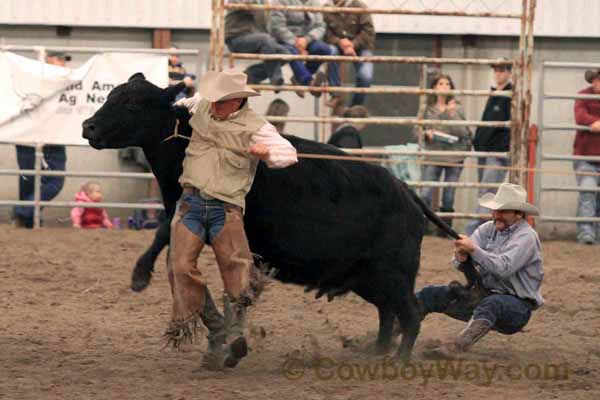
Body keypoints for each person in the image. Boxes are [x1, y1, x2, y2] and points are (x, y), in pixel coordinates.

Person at [164, 70, 298, 370]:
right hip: (191, 203)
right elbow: (186, 102)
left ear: (236, 100)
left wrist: (265, 155)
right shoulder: (202, 104)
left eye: (220, 101)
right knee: (180, 267)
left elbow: (288, 154)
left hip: (226, 208)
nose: (213, 106)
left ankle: (235, 331)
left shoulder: (257, 127)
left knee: (236, 269)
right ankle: (219, 326)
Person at [416, 183, 543, 359]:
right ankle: (389, 334)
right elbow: (458, 261)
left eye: (503, 211)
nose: (496, 215)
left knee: (492, 304)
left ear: (518, 214)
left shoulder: (527, 236)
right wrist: (461, 258)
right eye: (495, 210)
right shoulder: (486, 229)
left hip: (517, 308)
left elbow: (503, 268)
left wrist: (473, 250)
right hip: (482, 296)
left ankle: (456, 347)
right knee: (430, 294)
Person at [12, 51, 69, 229]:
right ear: (47, 61)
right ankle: (28, 219)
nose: (61, 64)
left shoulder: (67, 83)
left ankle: (22, 212)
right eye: (58, 60)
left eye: (63, 61)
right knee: (29, 179)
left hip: (51, 138)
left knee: (54, 181)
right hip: (28, 136)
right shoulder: (30, 80)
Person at [418, 74, 471, 231]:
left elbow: (463, 132)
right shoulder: (426, 109)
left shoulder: (458, 108)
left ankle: (444, 230)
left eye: (448, 84)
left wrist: (451, 114)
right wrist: (426, 133)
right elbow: (417, 130)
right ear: (434, 88)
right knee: (426, 193)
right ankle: (423, 228)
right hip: (433, 155)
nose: (444, 87)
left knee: (448, 196)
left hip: (454, 157)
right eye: (441, 83)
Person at [466, 59, 513, 235]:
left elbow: (510, 125)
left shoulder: (511, 94)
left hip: (497, 151)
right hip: (486, 149)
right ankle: (484, 229)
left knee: (487, 190)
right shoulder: (496, 93)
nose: (498, 73)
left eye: (502, 70)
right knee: (486, 190)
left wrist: (502, 147)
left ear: (509, 73)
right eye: (496, 70)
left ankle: (475, 229)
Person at [271, 0, 332, 97]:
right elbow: (277, 27)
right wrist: (295, 42)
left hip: (307, 39)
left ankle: (298, 78)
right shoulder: (280, 1)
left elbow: (320, 26)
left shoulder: (314, 3)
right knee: (291, 51)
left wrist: (306, 40)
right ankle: (309, 82)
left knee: (324, 49)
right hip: (285, 39)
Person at [225, 0, 290, 86]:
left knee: (286, 53)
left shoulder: (262, 2)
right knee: (265, 39)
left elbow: (266, 23)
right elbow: (242, 5)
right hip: (236, 39)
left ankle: (251, 74)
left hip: (256, 39)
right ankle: (276, 78)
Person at [324, 0, 375, 108]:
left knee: (365, 76)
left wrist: (352, 44)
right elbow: (325, 33)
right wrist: (340, 42)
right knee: (331, 53)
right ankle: (335, 94)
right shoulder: (326, 9)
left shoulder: (359, 6)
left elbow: (368, 31)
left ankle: (355, 107)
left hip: (361, 46)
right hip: (338, 45)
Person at [572, 69, 600, 244]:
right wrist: (593, 122)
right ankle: (586, 233)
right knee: (588, 192)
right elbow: (580, 116)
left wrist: (594, 122)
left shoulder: (583, 96)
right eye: (596, 80)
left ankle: (594, 233)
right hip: (585, 155)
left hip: (589, 153)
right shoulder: (583, 95)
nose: (598, 83)